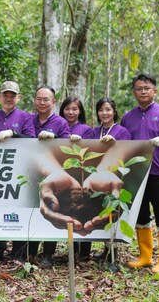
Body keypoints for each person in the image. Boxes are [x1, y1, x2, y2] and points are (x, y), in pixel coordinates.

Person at [121, 74, 159, 274]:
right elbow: (121, 140)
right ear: (134, 93)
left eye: (147, 88)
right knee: (140, 215)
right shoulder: (128, 117)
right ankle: (145, 257)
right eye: (139, 88)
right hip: (136, 174)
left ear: (154, 91)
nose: (143, 91)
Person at [0, 80, 35, 264]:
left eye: (12, 95)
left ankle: (19, 250)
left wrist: (13, 134)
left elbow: (31, 139)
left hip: (19, 171)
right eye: (5, 95)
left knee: (18, 209)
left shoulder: (26, 117)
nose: (8, 98)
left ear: (18, 97)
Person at [30, 85, 70, 269]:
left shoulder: (61, 122)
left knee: (52, 210)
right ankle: (30, 251)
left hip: (53, 176)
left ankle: (48, 254)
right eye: (39, 99)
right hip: (30, 173)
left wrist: (54, 139)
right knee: (32, 211)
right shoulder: (29, 119)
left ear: (53, 102)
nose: (42, 102)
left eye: (46, 99)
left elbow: (66, 147)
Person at [59, 96, 93, 260]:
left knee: (84, 210)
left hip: (81, 174)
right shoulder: (58, 126)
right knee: (68, 211)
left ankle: (85, 252)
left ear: (80, 111)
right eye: (67, 109)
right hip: (62, 175)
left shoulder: (86, 129)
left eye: (74, 109)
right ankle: (71, 249)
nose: (70, 112)